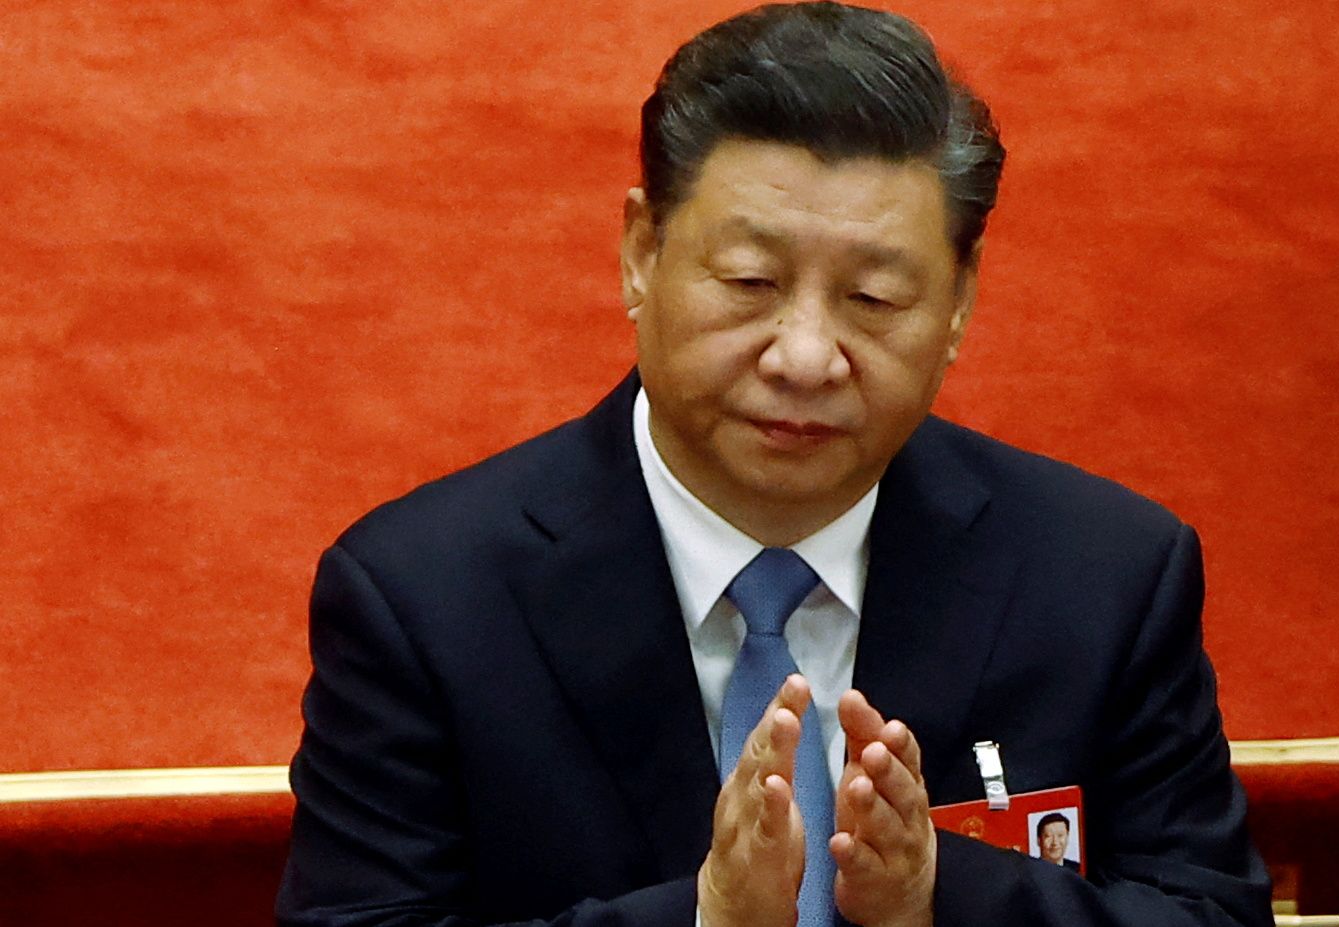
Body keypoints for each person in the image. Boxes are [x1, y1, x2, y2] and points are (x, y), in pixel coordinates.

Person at [276, 3, 1272, 927]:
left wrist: (935, 895)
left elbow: (1213, 913)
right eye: (751, 282)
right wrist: (705, 916)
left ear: (960, 303)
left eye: (875, 299)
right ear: (638, 253)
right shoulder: (423, 602)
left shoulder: (1105, 576)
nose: (805, 357)